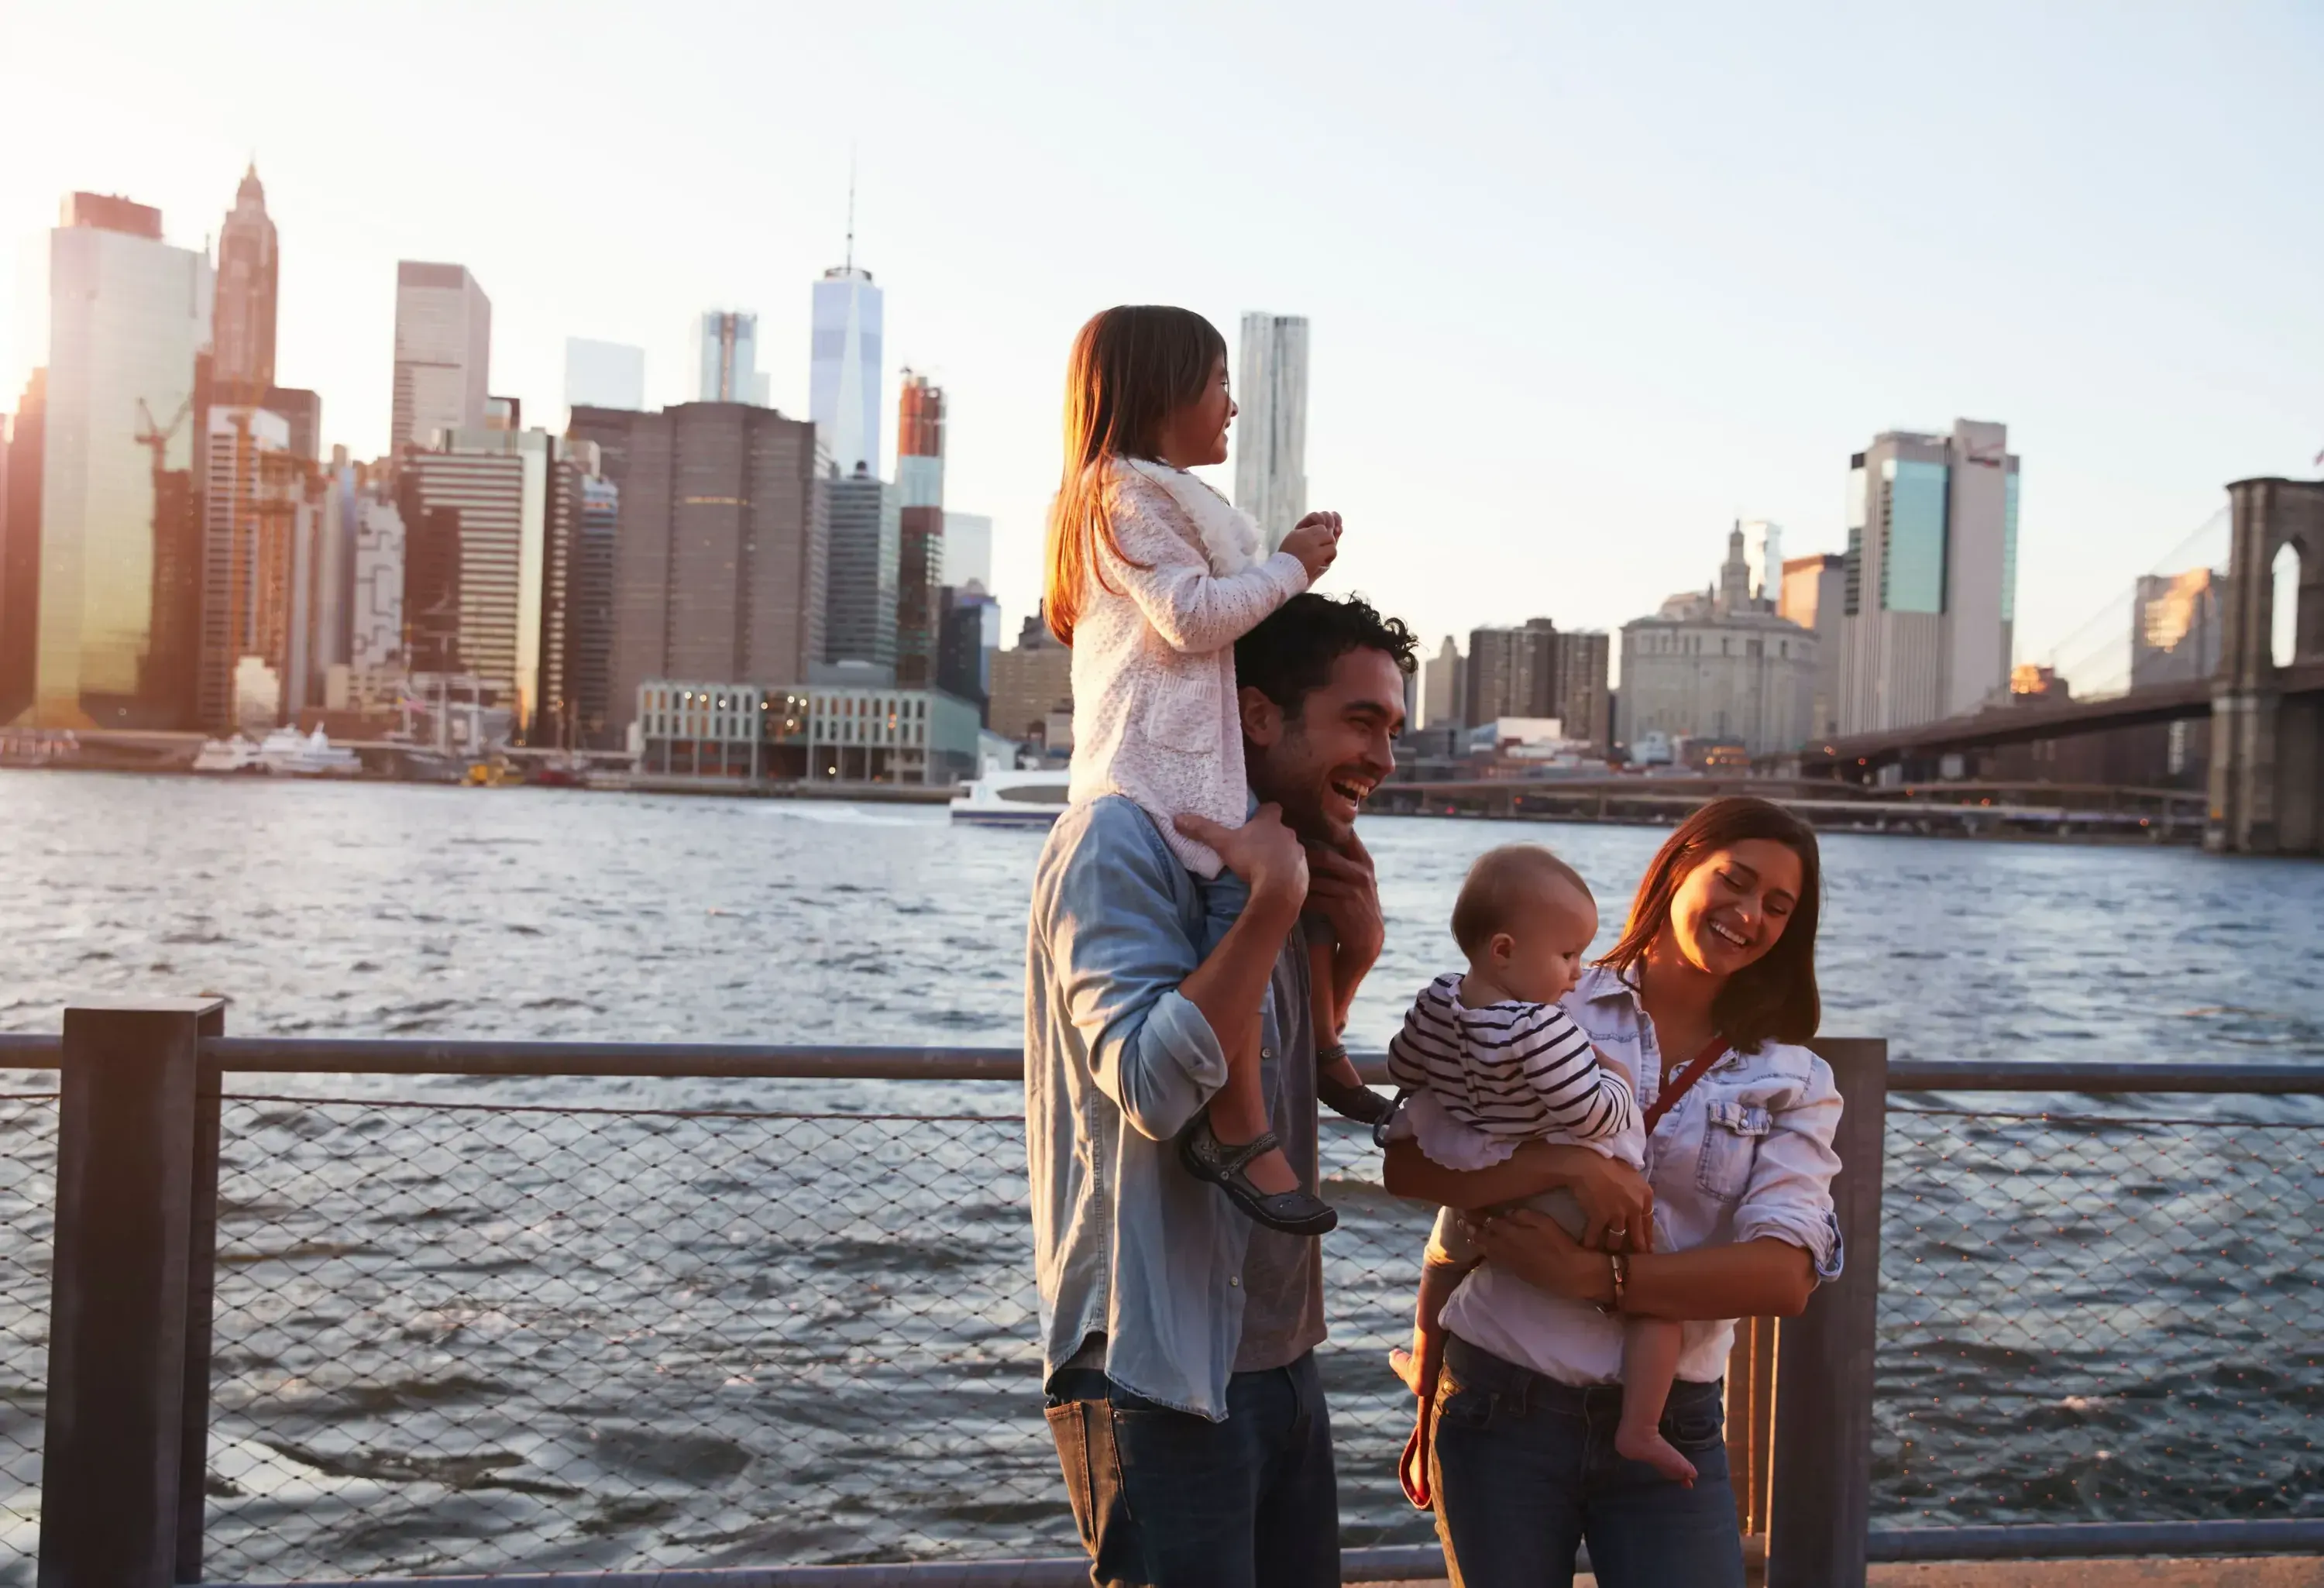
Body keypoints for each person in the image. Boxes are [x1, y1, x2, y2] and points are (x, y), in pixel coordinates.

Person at [1026, 591, 1417, 1588]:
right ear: (1256, 716)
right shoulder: (1120, 842)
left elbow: (1286, 1068)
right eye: (1362, 721)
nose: (1383, 756)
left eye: (1393, 729)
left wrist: (1351, 955)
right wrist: (1267, 910)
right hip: (1156, 1370)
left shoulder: (1271, 855)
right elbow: (1154, 1085)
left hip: (1281, 1358)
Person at [1382, 796, 1845, 1588]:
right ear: (1677, 868)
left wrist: (1596, 1279)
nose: (1750, 915)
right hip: (1500, 1401)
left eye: (1778, 906)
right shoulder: (1546, 989)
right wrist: (1568, 1168)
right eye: (1734, 881)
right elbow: (1407, 1161)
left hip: (1673, 1419)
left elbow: (1784, 1274)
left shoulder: (1793, 1076)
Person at [1044, 304, 1377, 1236]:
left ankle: (1320, 1055)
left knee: (1299, 876)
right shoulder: (1121, 495)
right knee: (1247, 905)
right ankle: (1240, 1130)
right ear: (1164, 390)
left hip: (1197, 764)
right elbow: (1192, 619)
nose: (1231, 406)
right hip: (1157, 770)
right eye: (1220, 383)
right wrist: (1291, 566)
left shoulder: (1156, 495)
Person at [1384, 844, 1697, 1488]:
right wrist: (1614, 1077)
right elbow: (1590, 1117)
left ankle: (1423, 1360)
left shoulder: (1438, 999)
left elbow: (1403, 1066)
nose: (1578, 974)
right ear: (1504, 950)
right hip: (1558, 1194)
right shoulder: (1543, 1028)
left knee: (1444, 1262)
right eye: (1567, 956)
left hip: (1480, 1181)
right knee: (1660, 1297)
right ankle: (1640, 1427)